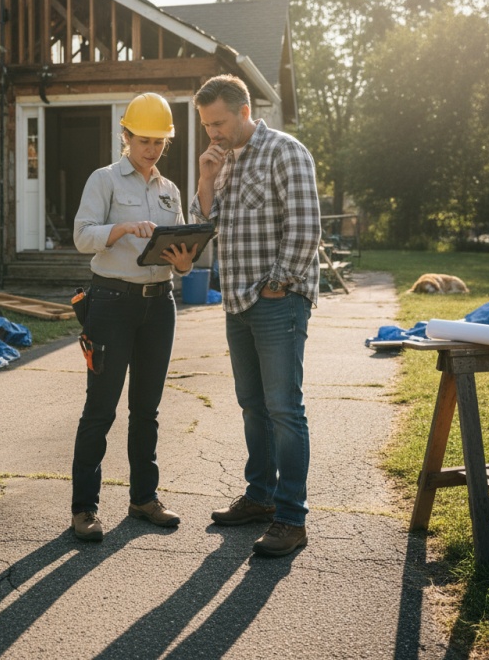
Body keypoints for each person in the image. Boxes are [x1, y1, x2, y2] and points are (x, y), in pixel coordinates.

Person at [190, 74, 321, 557]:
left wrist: (277, 283)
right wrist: (206, 178)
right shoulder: (221, 160)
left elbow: (306, 227)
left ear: (245, 111)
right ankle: (261, 497)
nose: (213, 133)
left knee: (284, 408)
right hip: (236, 303)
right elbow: (202, 224)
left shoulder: (285, 151)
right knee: (252, 405)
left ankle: (291, 519)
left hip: (276, 301)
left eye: (219, 123)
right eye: (206, 125)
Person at [70, 92, 197, 542]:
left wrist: (185, 262)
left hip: (159, 305)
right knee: (100, 409)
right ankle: (84, 509)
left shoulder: (169, 190)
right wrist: (121, 228)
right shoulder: (103, 180)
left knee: (147, 410)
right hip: (111, 303)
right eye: (144, 140)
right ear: (125, 136)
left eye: (160, 141)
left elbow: (181, 252)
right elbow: (82, 237)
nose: (152, 149)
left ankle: (144, 498)